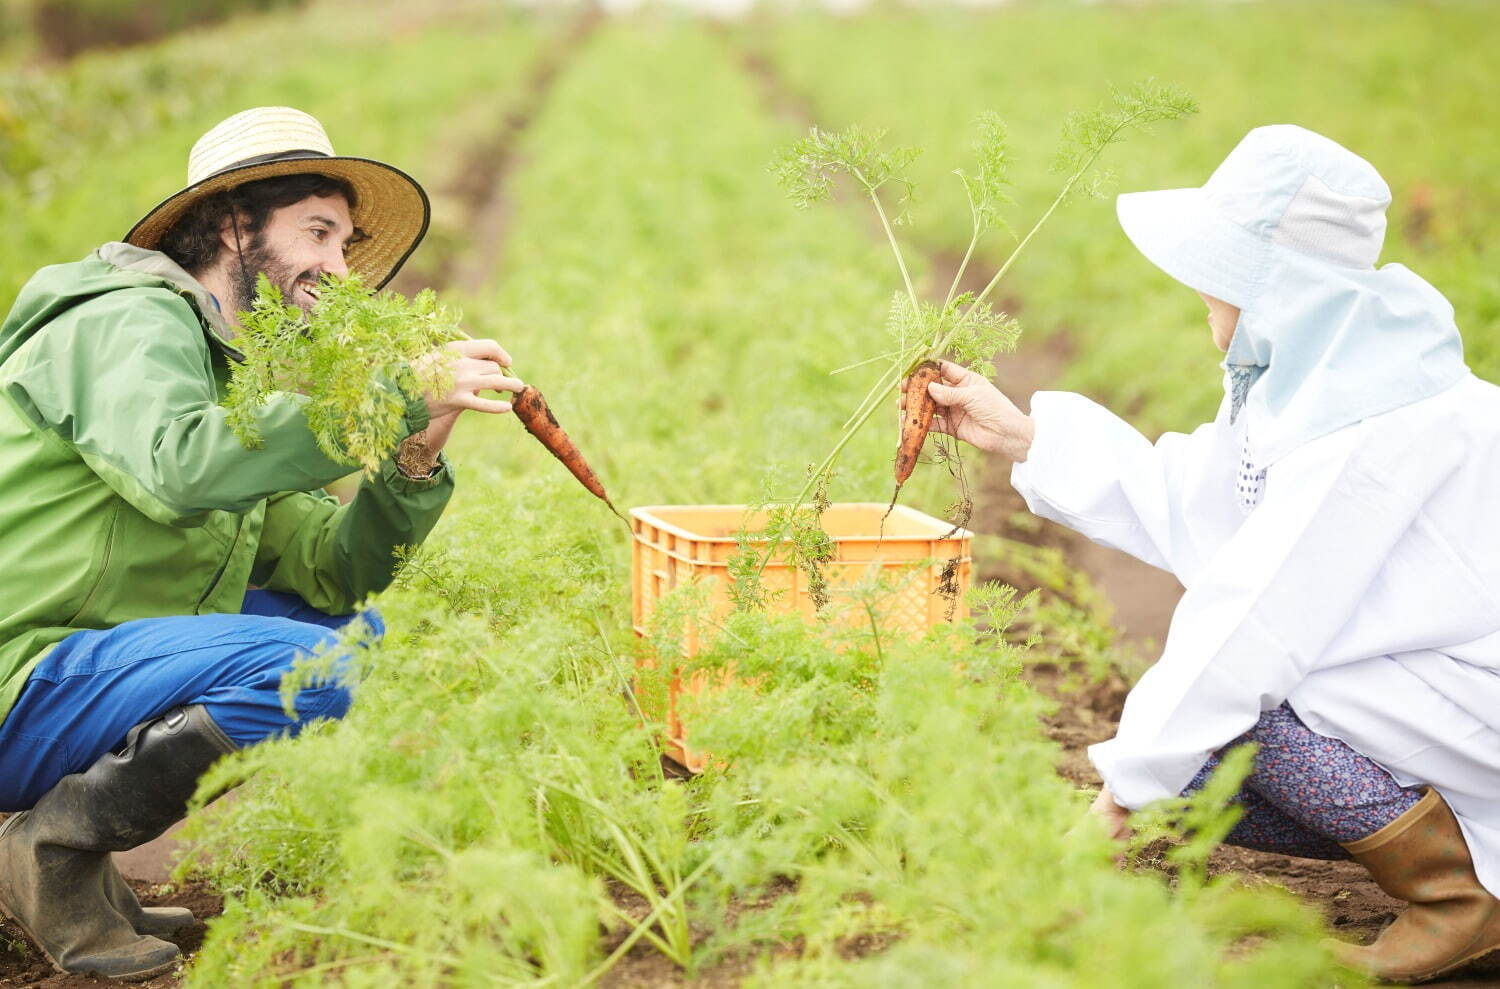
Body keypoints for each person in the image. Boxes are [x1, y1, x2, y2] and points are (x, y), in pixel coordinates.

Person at [921, 125, 1500, 983]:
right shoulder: (1323, 380)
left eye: (1217, 280)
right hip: (1427, 696)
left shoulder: (1376, 424)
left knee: (1238, 703)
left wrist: (1109, 810)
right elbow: (1208, 497)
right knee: (1188, 769)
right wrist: (1028, 437)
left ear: (1275, 291)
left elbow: (1250, 622)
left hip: (1472, 704)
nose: (1200, 296)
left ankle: (1466, 898)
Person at [0, 106, 522, 980]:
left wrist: (414, 446)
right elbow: (178, 465)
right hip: (23, 673)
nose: (337, 266)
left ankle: (70, 850)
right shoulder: (123, 321)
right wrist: (391, 389)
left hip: (82, 662)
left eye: (347, 243)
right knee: (332, 666)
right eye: (318, 231)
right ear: (237, 223)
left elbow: (332, 572)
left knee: (356, 643)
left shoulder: (225, 374)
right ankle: (51, 845)